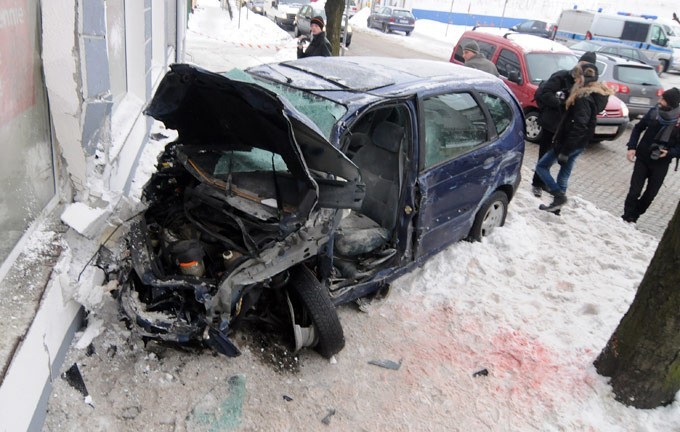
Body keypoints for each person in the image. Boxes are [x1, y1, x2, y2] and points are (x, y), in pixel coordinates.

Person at [534, 62, 613, 213]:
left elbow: (580, 124)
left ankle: (558, 196)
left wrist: (565, 150)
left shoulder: (583, 97)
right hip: (579, 143)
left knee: (541, 166)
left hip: (569, 142)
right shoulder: (595, 94)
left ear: (582, 80)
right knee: (564, 174)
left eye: (577, 78)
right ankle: (557, 208)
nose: (574, 81)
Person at [531, 51, 597, 198]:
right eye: (583, 64)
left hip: (566, 128)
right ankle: (537, 183)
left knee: (560, 160)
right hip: (552, 123)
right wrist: (561, 103)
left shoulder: (588, 85)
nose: (584, 69)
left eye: (588, 66)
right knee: (544, 156)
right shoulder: (561, 76)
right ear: (578, 63)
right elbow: (544, 94)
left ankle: (553, 189)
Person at [622, 87, 680, 223]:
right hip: (643, 157)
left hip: (661, 162)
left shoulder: (678, 122)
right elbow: (638, 128)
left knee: (650, 195)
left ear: (671, 102)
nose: (659, 101)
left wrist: (669, 153)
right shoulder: (654, 112)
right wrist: (632, 147)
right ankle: (626, 218)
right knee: (634, 191)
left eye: (663, 99)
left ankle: (635, 215)